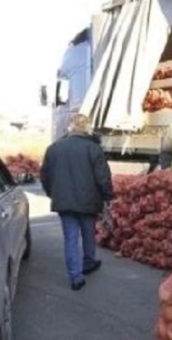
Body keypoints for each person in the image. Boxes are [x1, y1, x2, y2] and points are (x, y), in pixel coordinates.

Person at [40, 114, 113, 291]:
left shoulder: (54, 148)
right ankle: (88, 262)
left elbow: (45, 176)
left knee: (70, 239)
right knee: (89, 233)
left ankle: (76, 277)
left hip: (64, 202)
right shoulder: (93, 148)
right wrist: (107, 197)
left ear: (70, 128)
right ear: (88, 128)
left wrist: (53, 194)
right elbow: (103, 177)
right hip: (89, 201)